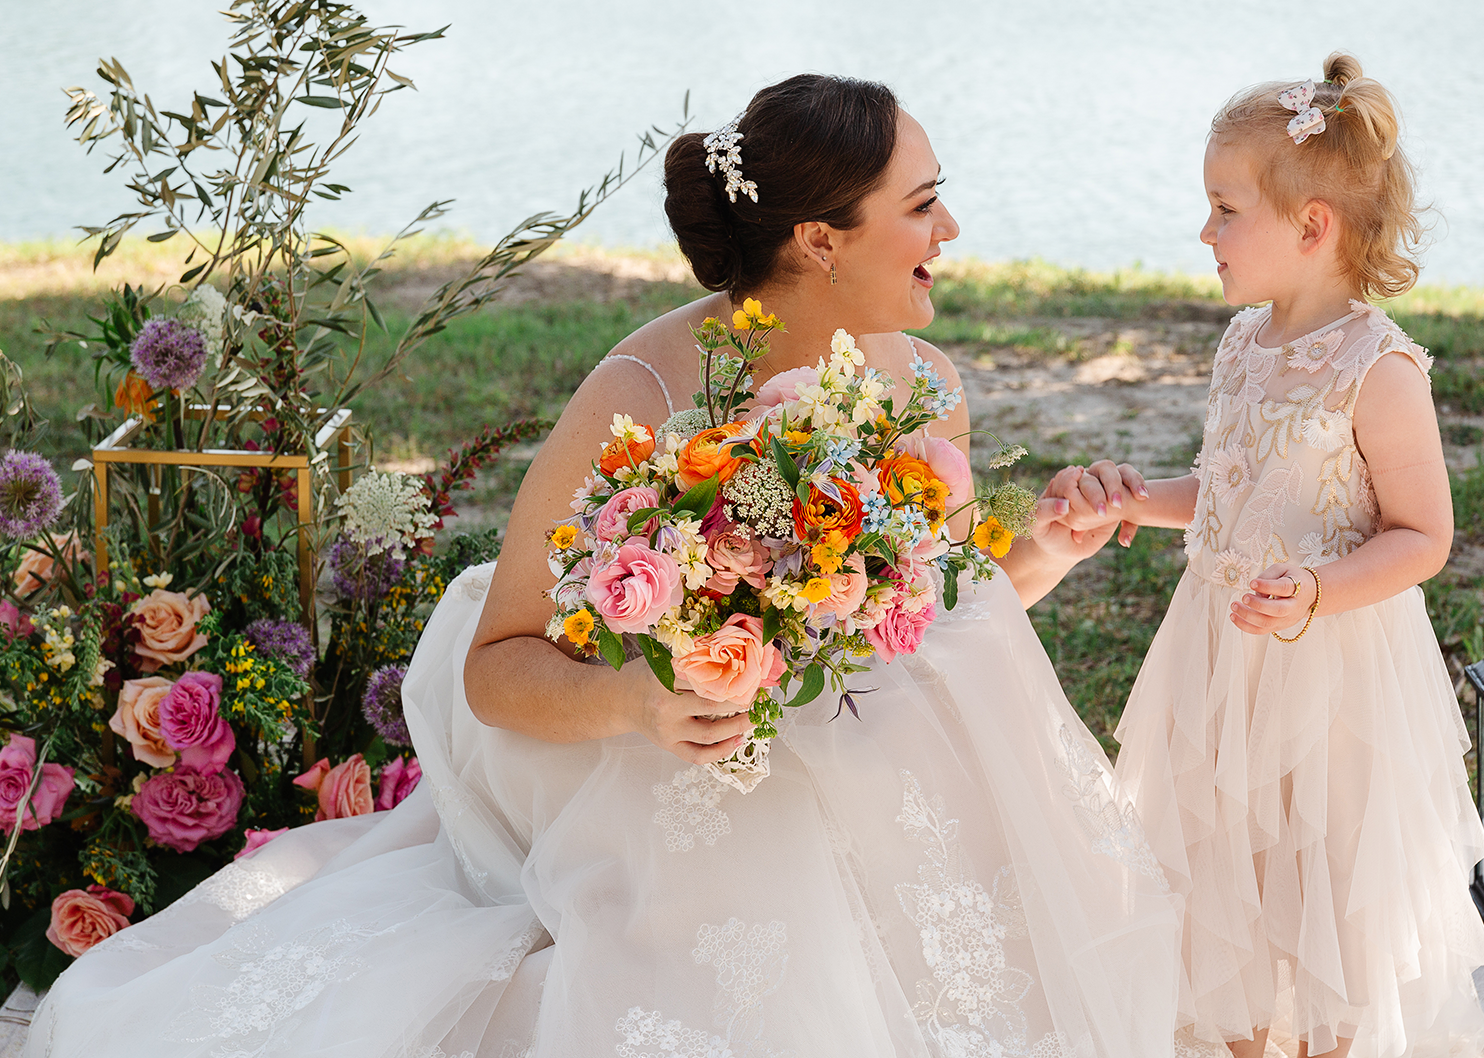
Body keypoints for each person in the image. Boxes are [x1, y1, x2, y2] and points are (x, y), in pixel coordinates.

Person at [26, 74, 1179, 1058]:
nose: (950, 229)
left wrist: (1041, 551)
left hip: (867, 739)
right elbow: (498, 667)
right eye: (923, 206)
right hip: (662, 741)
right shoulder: (646, 393)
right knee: (771, 878)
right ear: (820, 240)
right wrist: (643, 700)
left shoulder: (924, 384)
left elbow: (931, 622)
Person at [1059, 55, 1484, 1058]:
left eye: (1224, 210)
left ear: (1312, 227)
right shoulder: (1243, 343)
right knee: (1225, 887)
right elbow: (1232, 487)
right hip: (1219, 655)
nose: (1204, 233)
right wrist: (1138, 502)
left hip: (1333, 670)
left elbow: (1423, 536)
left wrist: (1315, 591)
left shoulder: (1380, 369)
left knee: (1329, 893)